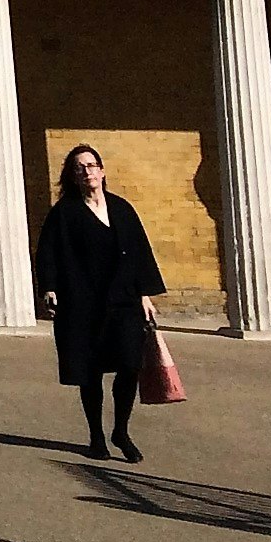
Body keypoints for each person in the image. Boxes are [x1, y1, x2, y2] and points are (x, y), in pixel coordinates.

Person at [37, 143, 166, 461]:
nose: (87, 171)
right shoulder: (64, 213)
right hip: (82, 304)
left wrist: (144, 294)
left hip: (123, 301)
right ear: (72, 176)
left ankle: (120, 430)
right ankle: (96, 436)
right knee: (90, 371)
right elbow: (48, 252)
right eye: (79, 167)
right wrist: (50, 288)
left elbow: (139, 253)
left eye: (91, 165)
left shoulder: (122, 209)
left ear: (102, 171)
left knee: (130, 365)